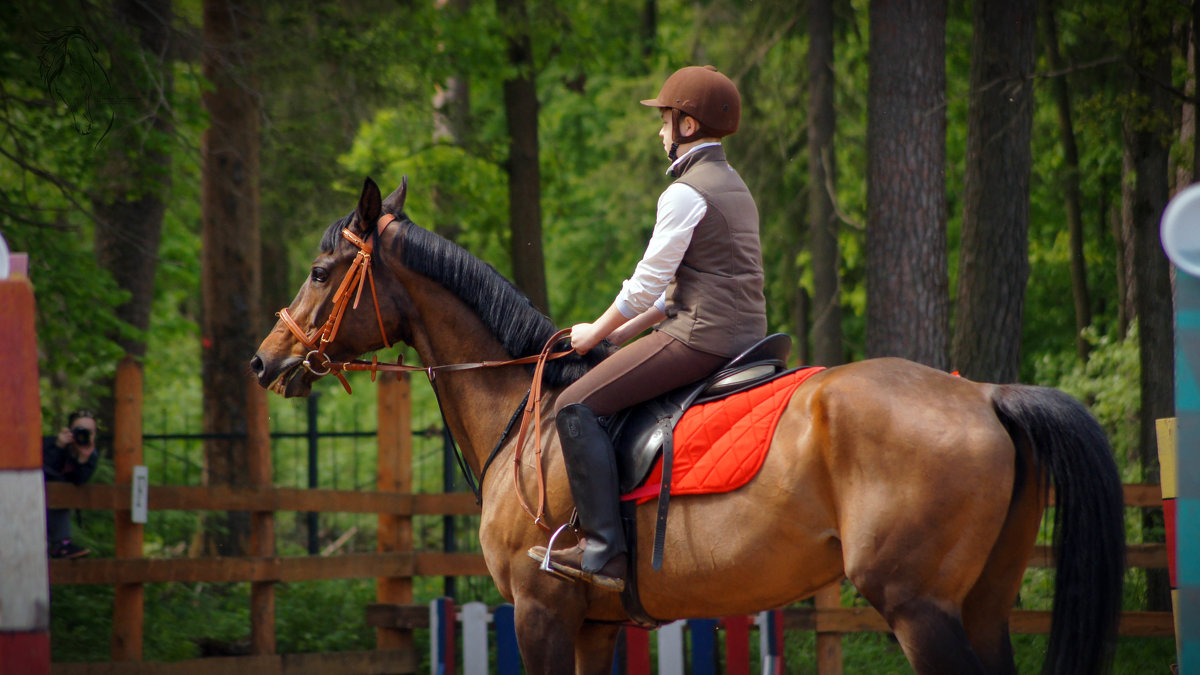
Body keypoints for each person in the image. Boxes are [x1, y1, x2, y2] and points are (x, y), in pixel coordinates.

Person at [529, 65, 767, 591]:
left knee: (575, 406)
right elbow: (671, 294)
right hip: (744, 333)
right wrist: (622, 334)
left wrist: (595, 332)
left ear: (686, 125)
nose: (659, 130)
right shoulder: (733, 184)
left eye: (664, 119)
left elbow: (646, 284)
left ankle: (603, 551)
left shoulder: (684, 192)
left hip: (702, 338)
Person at [44, 409, 100, 559]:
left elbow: (79, 481)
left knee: (63, 490)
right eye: (79, 430)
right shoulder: (51, 443)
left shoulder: (91, 454)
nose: (84, 435)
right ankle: (61, 544)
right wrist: (59, 446)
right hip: (34, 500)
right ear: (69, 431)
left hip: (57, 508)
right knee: (59, 487)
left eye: (90, 432)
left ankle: (62, 545)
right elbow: (44, 468)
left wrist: (82, 459)